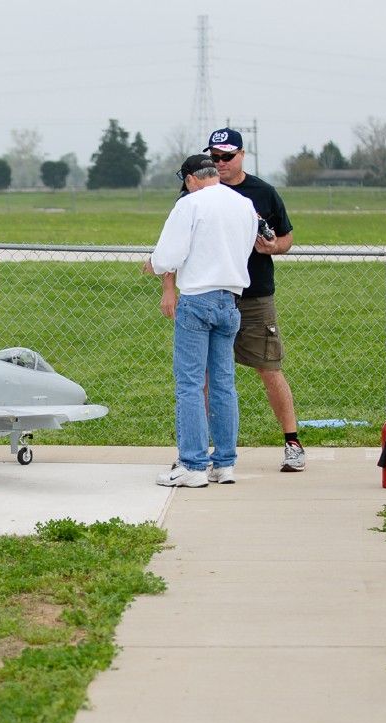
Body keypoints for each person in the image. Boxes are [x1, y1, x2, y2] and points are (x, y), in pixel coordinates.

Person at [147, 153, 259, 488]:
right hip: (231, 300)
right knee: (224, 384)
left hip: (197, 299)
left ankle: (192, 465)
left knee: (190, 384)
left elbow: (168, 256)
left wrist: (154, 264)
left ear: (191, 178)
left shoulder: (190, 205)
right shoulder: (243, 204)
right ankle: (224, 464)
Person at [205, 127, 306, 472]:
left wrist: (273, 245)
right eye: (214, 157)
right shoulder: (199, 190)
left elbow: (287, 236)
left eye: (227, 157)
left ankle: (292, 442)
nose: (220, 164)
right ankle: (199, 447)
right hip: (211, 294)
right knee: (204, 374)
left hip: (254, 294)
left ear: (242, 155)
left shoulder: (263, 192)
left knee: (269, 367)